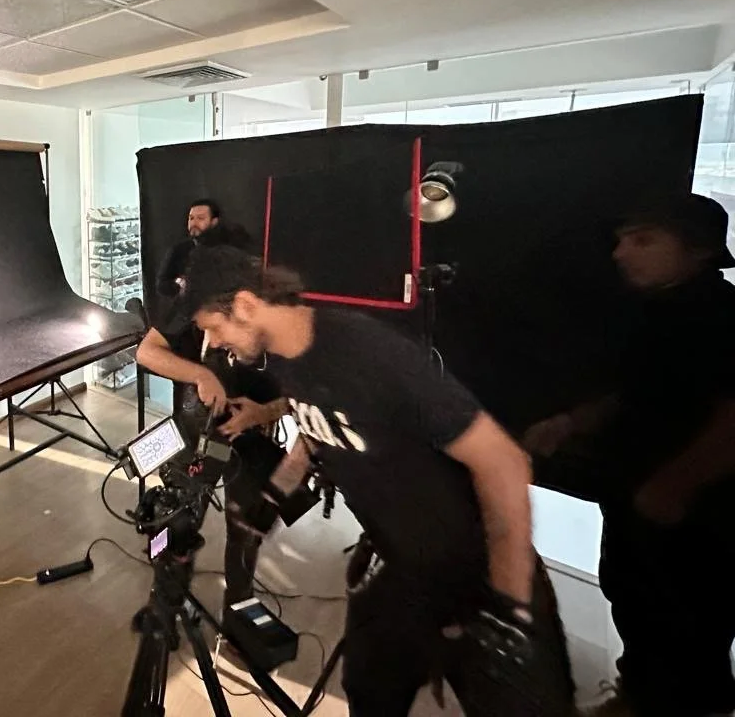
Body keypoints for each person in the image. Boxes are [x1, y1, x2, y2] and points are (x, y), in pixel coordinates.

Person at [181, 244, 574, 717]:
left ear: (245, 305)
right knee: (369, 685)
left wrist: (510, 610)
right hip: (405, 568)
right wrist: (268, 505)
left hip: (480, 573)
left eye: (213, 328)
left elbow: (504, 462)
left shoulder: (364, 350)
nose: (213, 343)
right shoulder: (285, 357)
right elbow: (317, 429)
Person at [525, 194, 735, 717]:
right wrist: (572, 422)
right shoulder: (657, 311)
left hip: (697, 508)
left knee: (687, 612)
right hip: (638, 489)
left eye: (643, 240)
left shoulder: (721, 316)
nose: (621, 253)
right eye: (621, 240)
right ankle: (643, 693)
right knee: (638, 597)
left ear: (698, 250)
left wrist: (674, 486)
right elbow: (636, 391)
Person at [136, 227, 278, 617]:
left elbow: (305, 398)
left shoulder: (277, 317)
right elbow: (147, 352)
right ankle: (164, 601)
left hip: (252, 439)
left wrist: (265, 412)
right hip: (197, 429)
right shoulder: (193, 302)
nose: (214, 339)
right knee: (172, 519)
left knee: (245, 530)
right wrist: (200, 374)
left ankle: (240, 614)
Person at [155, 198, 246, 298]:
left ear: (214, 222)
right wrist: (181, 285)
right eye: (191, 218)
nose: (194, 223)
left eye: (200, 218)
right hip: (187, 305)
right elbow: (162, 285)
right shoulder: (178, 250)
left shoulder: (227, 249)